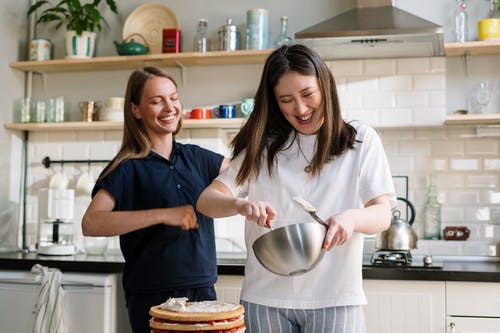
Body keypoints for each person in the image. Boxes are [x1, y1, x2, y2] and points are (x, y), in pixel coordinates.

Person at [196, 44, 395, 333]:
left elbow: (383, 213)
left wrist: (351, 218)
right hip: (264, 298)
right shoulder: (264, 147)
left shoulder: (359, 139)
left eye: (307, 94)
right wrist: (239, 205)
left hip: (336, 298)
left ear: (325, 86)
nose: (300, 109)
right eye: (286, 100)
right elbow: (207, 201)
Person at [82, 66, 230, 333]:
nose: (169, 107)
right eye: (156, 100)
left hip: (202, 290)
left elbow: (246, 173)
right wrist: (165, 214)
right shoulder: (126, 167)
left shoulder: (196, 157)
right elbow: (91, 223)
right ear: (136, 110)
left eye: (173, 98)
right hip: (152, 297)